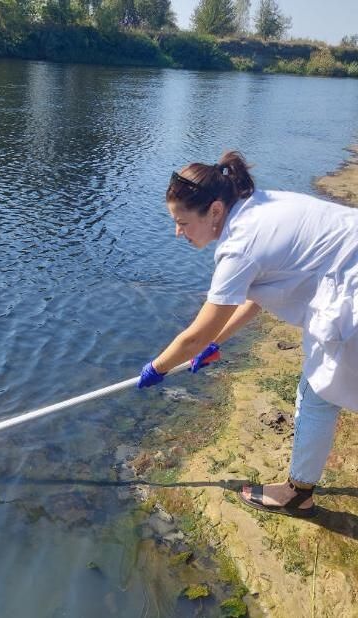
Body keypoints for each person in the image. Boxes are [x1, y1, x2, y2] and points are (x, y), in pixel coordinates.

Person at [137, 151, 358, 519]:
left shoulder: (239, 247)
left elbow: (193, 335)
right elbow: (254, 298)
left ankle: (297, 494)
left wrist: (157, 368)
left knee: (317, 393)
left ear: (215, 211)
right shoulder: (257, 207)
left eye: (182, 222)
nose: (178, 232)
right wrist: (216, 343)